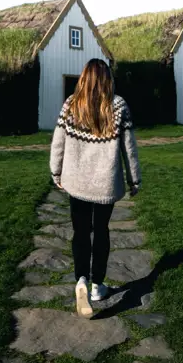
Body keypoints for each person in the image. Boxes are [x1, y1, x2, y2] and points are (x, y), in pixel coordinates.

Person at [49, 58, 141, 318]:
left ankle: (80, 281)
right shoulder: (119, 105)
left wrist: (56, 171)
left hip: (76, 182)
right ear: (107, 78)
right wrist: (134, 179)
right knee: (101, 231)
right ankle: (98, 286)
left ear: (84, 77)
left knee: (80, 231)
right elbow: (129, 148)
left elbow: (58, 142)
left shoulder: (71, 104)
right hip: (105, 184)